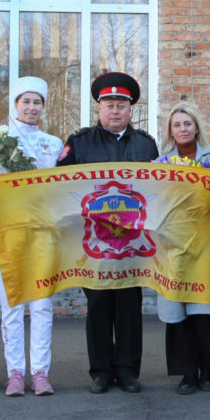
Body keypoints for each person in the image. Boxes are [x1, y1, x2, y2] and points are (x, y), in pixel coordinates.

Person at [56, 71, 159, 394]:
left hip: (133, 243)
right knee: (98, 305)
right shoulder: (79, 143)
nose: (115, 111)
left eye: (121, 105)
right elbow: (60, 186)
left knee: (130, 305)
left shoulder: (145, 144)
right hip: (93, 242)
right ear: (99, 109)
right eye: (109, 105)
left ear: (131, 110)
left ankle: (128, 370)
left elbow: (158, 191)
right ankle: (100, 370)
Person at [0, 76, 63, 397]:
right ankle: (14, 373)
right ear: (15, 104)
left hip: (43, 231)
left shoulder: (53, 143)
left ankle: (39, 371)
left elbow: (58, 188)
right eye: (25, 101)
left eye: (37, 102)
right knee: (11, 302)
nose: (31, 107)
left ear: (43, 105)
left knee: (41, 303)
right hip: (10, 232)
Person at [154, 102, 210, 395]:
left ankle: (208, 370)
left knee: (205, 310)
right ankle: (187, 372)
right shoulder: (159, 165)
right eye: (177, 125)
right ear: (170, 131)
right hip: (173, 246)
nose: (182, 129)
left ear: (196, 126)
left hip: (206, 244)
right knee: (178, 312)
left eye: (187, 123)